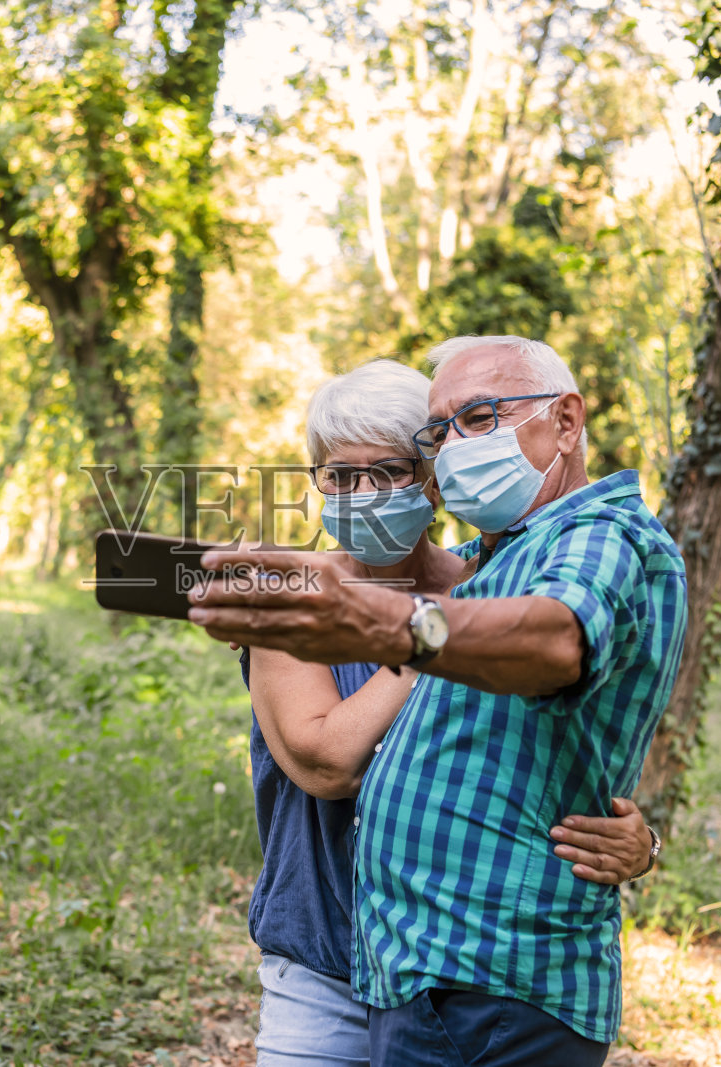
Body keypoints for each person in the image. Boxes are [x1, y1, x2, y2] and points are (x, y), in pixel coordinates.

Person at [193, 337, 688, 1067]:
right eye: (339, 475)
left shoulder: (494, 588)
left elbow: (552, 736)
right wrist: (422, 638)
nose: (361, 493)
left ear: (432, 482)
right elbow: (325, 761)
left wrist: (640, 844)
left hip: (448, 962)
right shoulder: (300, 595)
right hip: (329, 954)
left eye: (388, 471)